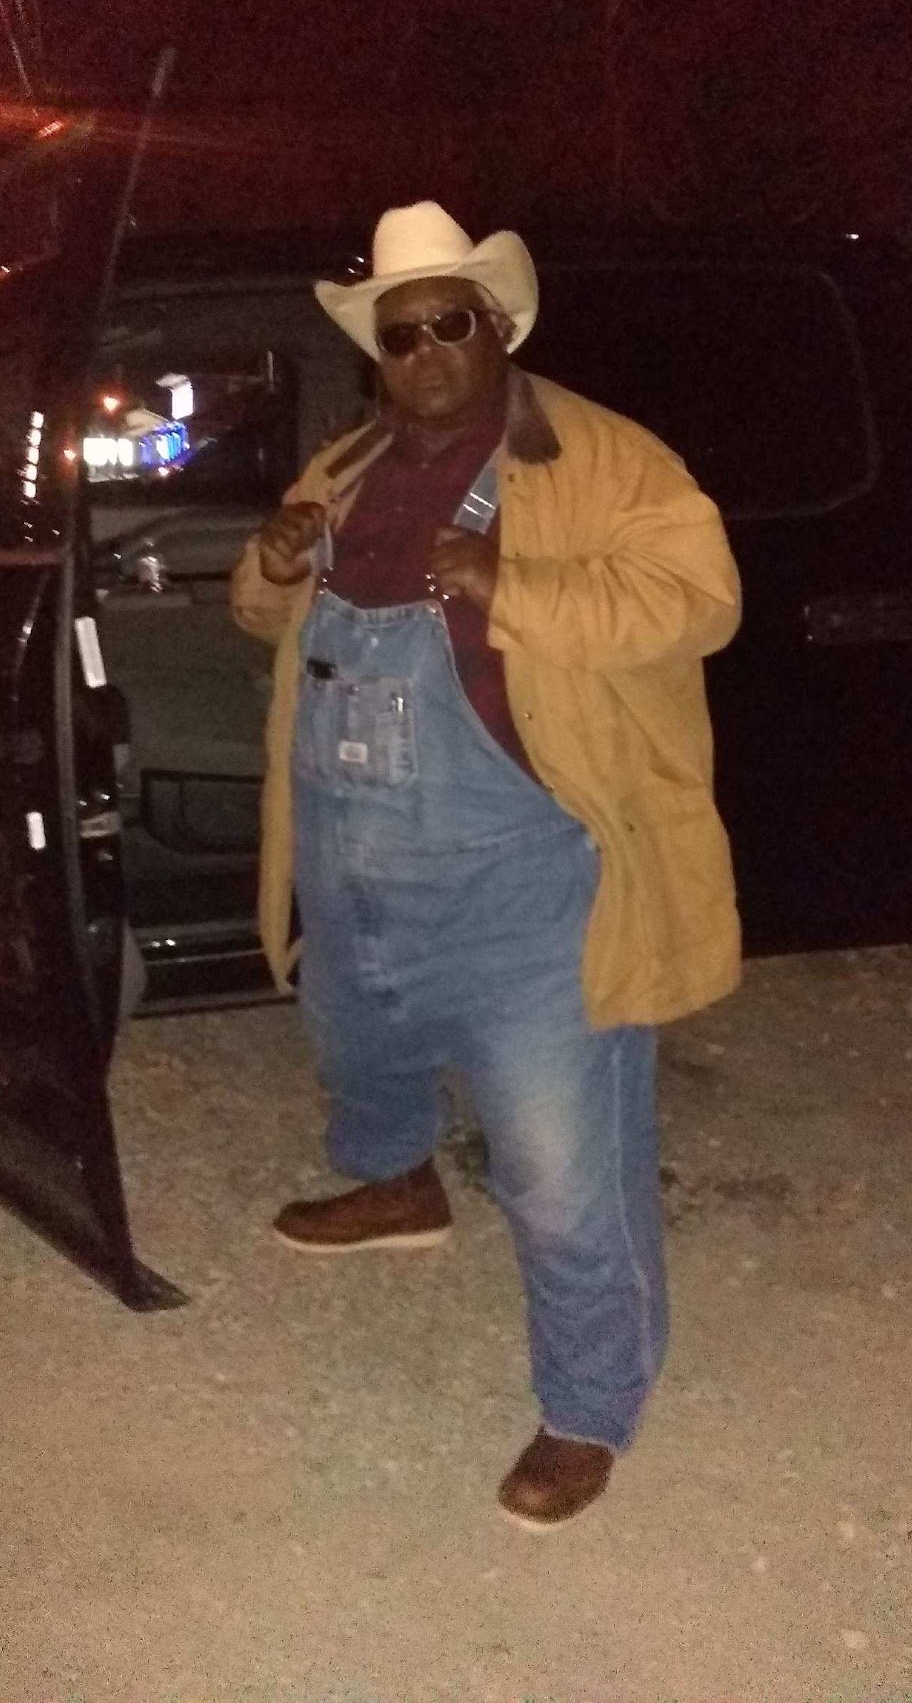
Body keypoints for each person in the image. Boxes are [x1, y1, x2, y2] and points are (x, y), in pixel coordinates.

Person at [231, 202, 742, 1530]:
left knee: (561, 1170)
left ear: (498, 323)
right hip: (350, 846)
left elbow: (703, 602)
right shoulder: (344, 465)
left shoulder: (604, 457)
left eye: (448, 324)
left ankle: (589, 1406)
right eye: (399, 336)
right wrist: (272, 569)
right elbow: (264, 612)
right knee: (358, 1043)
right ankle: (398, 1184)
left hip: (526, 871)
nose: (424, 353)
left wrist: (513, 584)